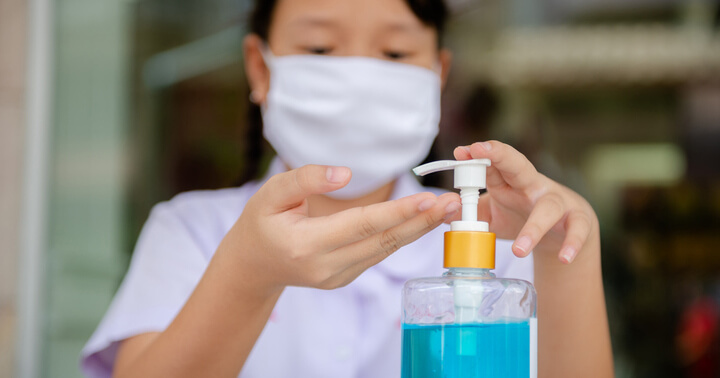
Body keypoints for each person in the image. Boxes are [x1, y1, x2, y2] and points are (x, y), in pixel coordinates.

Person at [81, 0, 614, 377]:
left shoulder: (507, 248)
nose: (358, 76)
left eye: (395, 54)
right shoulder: (191, 231)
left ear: (438, 75)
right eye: (319, 47)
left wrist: (563, 250)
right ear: (259, 68)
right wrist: (247, 275)